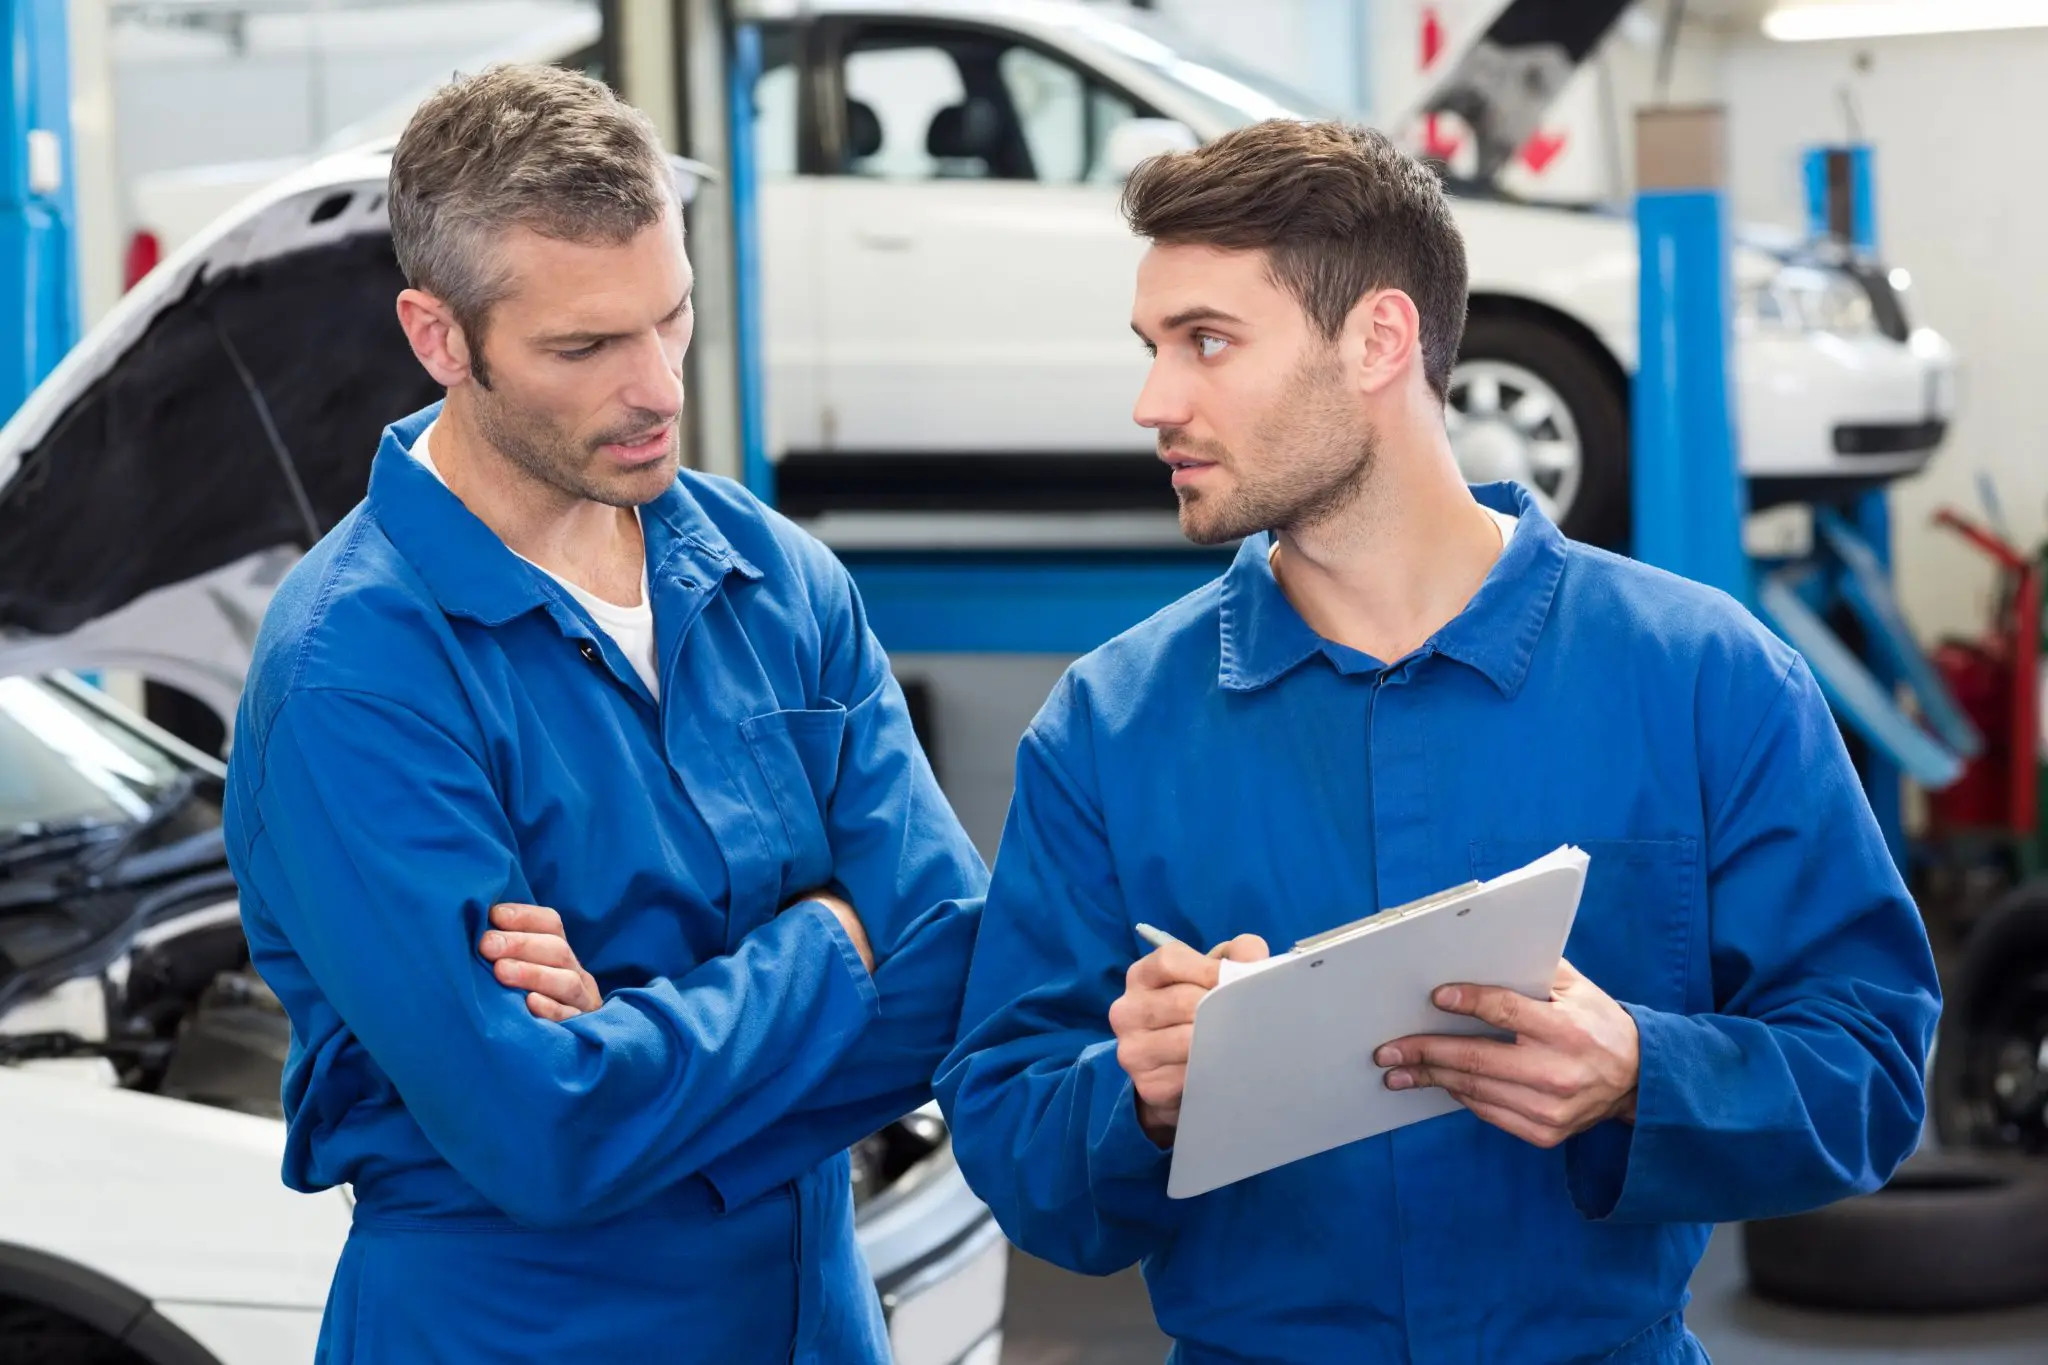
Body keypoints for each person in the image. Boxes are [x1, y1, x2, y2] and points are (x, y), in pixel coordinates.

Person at [934, 119, 1940, 1364]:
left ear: (1378, 339)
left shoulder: (1700, 677)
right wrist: (1133, 1097)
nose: (1153, 404)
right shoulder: (1108, 726)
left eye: (1206, 343)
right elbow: (1010, 1129)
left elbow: (1870, 1065)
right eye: (1151, 348)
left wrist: (1642, 1071)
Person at [222, 64, 985, 1362]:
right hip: (520, 1325)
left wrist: (636, 1032)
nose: (659, 389)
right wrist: (840, 944)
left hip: (811, 1315)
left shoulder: (771, 575)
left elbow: (956, 971)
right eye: (584, 347)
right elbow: (543, 1134)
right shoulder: (355, 671)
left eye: (670, 317)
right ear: (438, 336)